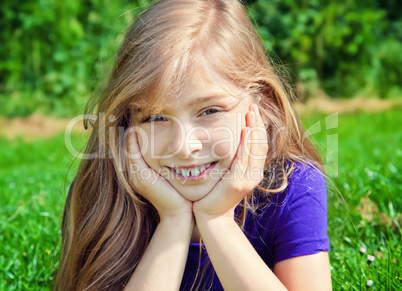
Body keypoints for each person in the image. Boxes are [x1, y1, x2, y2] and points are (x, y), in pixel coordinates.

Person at [55, 0, 332, 290]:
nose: (184, 147)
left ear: (260, 106)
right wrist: (173, 221)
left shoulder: (295, 185)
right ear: (128, 124)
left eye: (210, 111)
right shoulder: (108, 192)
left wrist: (217, 220)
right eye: (155, 117)